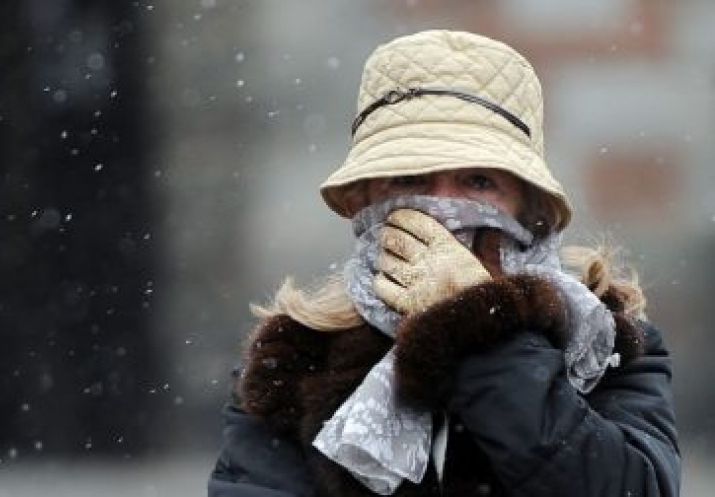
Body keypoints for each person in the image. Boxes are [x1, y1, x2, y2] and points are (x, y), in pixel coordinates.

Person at [208, 30, 680, 497]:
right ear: (363, 202)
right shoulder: (295, 357)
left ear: (528, 208)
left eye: (477, 181)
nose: (441, 210)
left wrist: (479, 326)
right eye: (411, 178)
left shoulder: (601, 345)